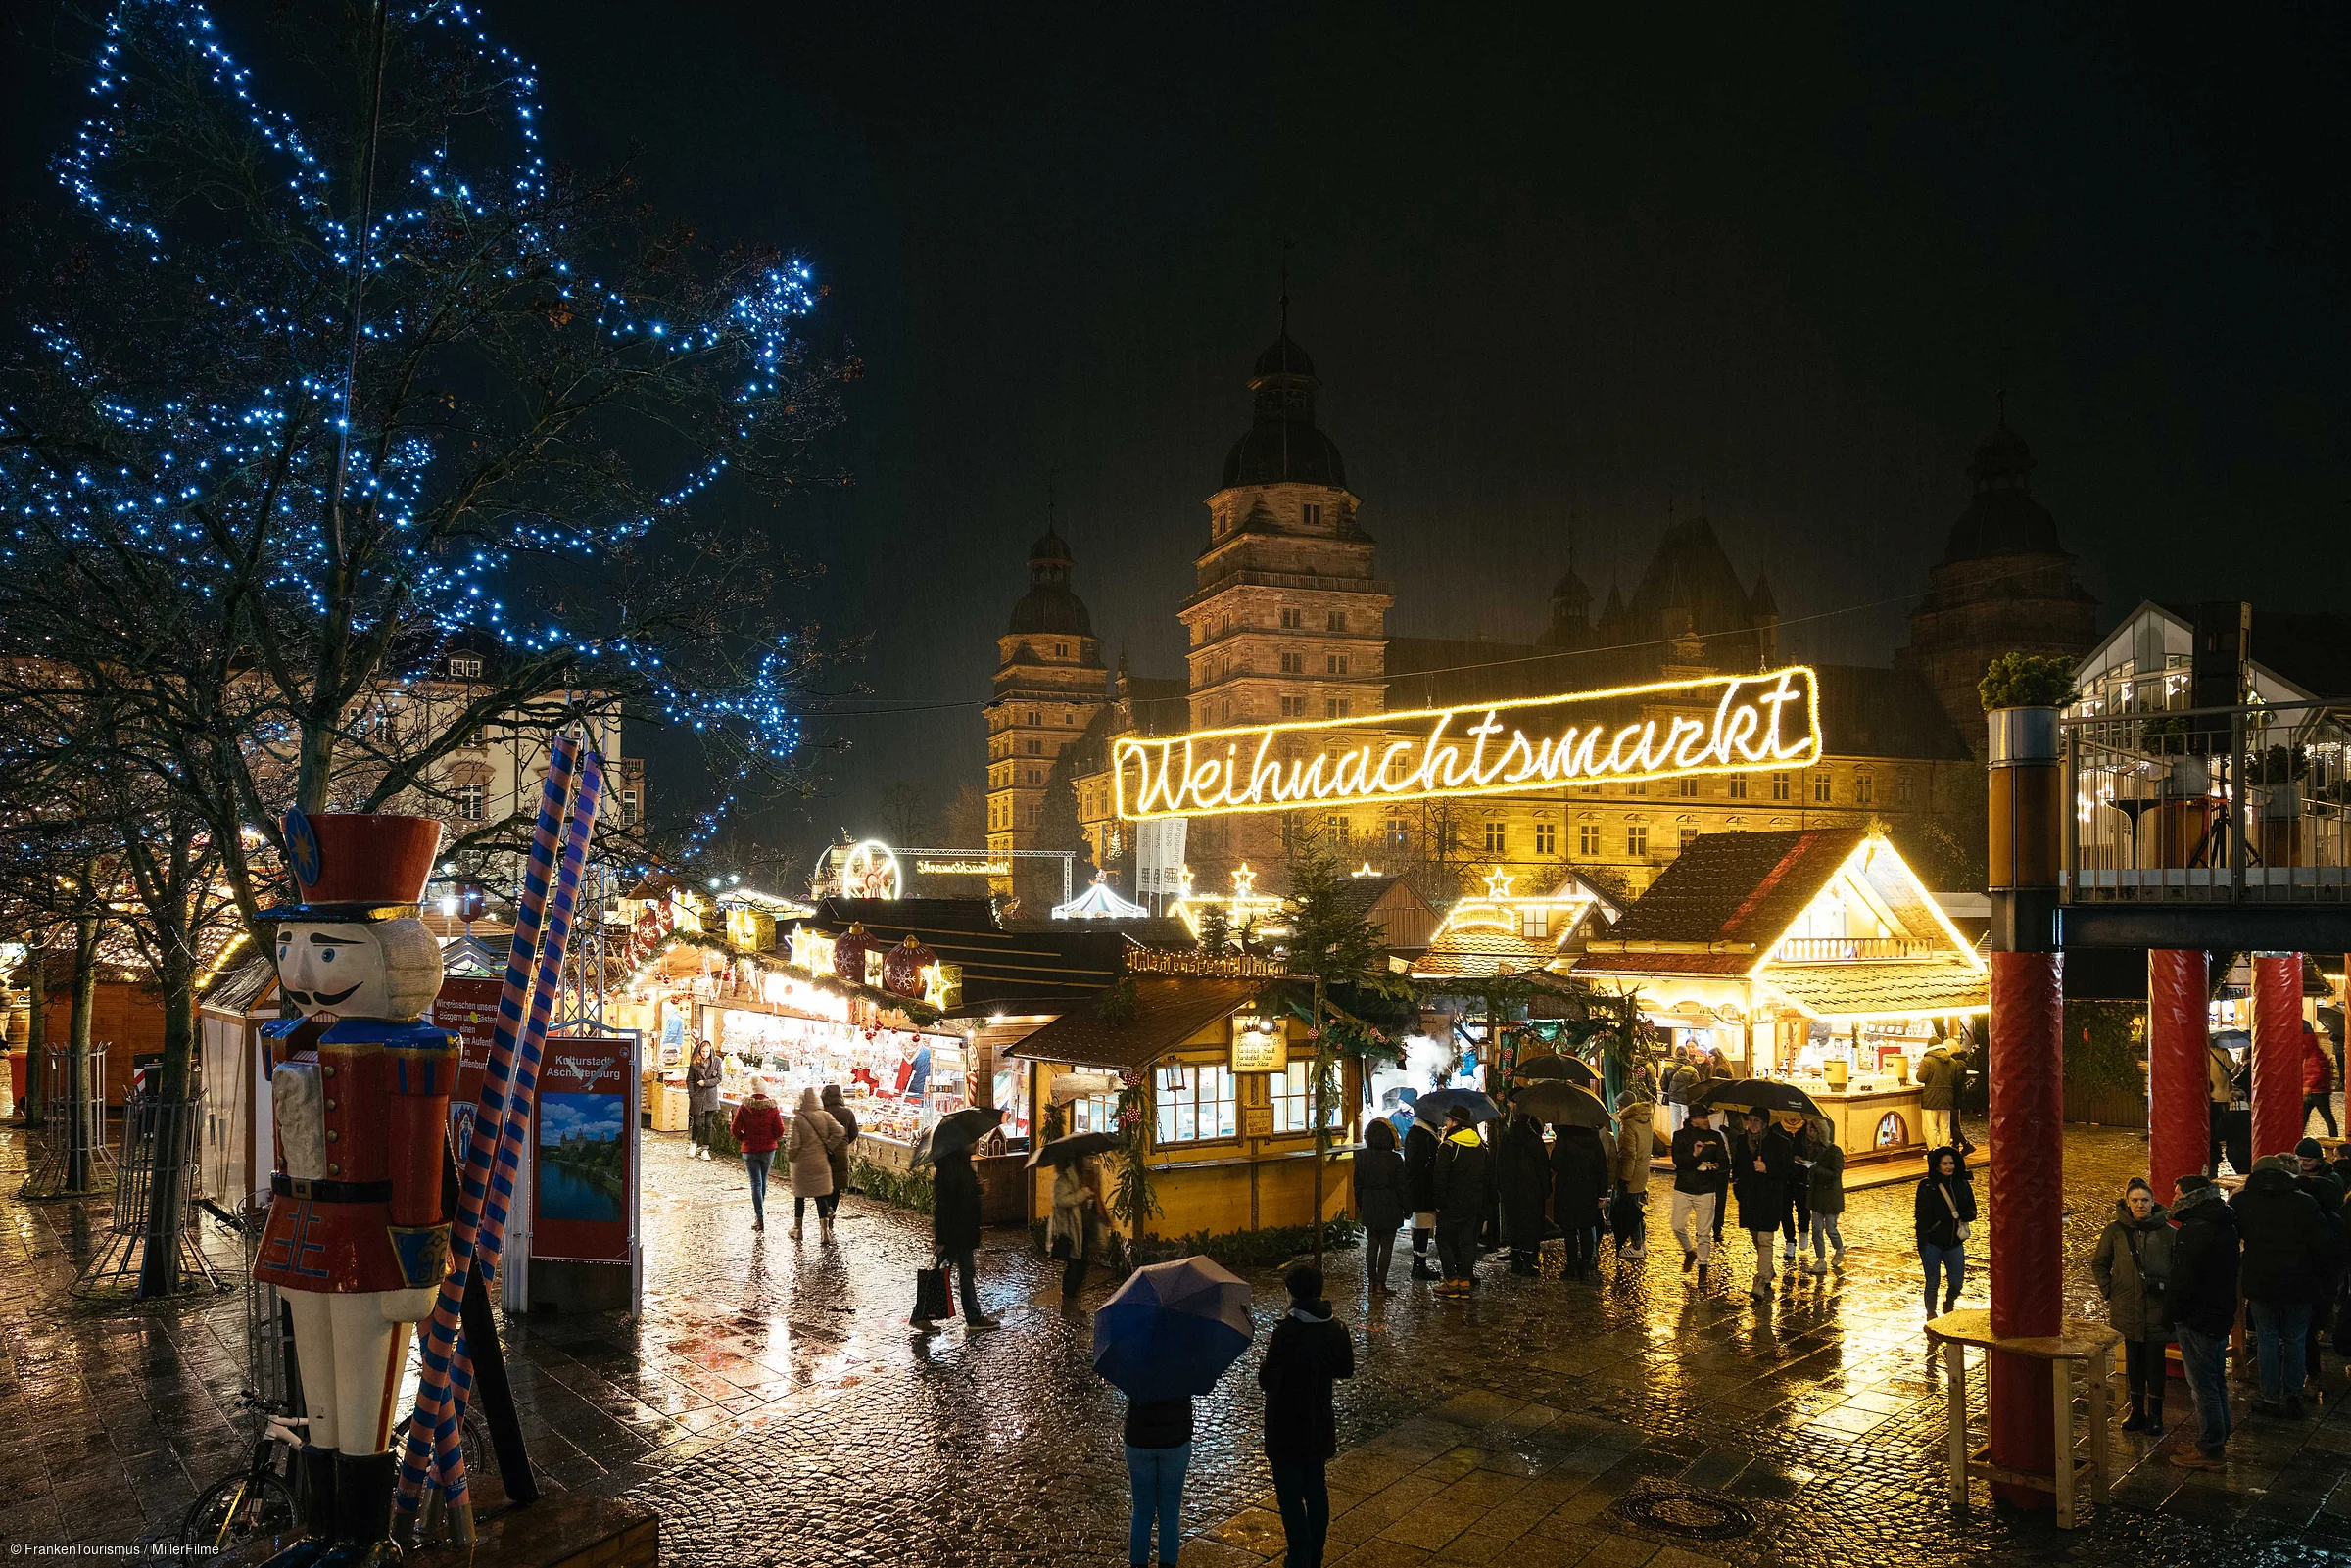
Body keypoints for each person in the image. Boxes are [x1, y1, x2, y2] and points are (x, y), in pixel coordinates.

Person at [1259, 1263, 1354, 1568]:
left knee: (1289, 1496)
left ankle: (1299, 1554)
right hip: (1318, 1421)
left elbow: (1266, 1379)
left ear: (1292, 1293)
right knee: (1316, 1490)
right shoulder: (1335, 1327)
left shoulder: (1286, 1332)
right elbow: (1345, 1368)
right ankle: (1315, 1554)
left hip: (1286, 1427)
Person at [2232, 1151, 2334, 1417]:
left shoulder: (2242, 1201)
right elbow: (2323, 1245)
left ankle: (2269, 1397)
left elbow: (2235, 1237)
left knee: (2266, 1339)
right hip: (2300, 1283)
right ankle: (2292, 1396)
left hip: (2261, 1282)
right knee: (2295, 1339)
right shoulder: (2303, 1202)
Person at [2166, 1174, 2240, 1469]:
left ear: (2190, 1197)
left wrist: (2171, 1314)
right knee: (2216, 1381)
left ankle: (2210, 1449)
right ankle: (2217, 1437)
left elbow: (2183, 1280)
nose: (2172, 1198)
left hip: (2199, 1317)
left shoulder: (2194, 1231)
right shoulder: (2223, 1222)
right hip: (2219, 1313)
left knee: (2203, 1385)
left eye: (2177, 1193)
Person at [2092, 1177, 2175, 1434]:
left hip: (2157, 1309)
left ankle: (2156, 1414)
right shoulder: (2115, 1231)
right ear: (2128, 1203)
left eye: (2145, 1200)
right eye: (2135, 1200)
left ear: (2153, 1202)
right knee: (2134, 1360)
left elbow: (2178, 1269)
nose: (2141, 1205)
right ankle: (2137, 1410)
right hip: (2127, 1307)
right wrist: (2110, 1291)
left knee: (2155, 1362)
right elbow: (2100, 1264)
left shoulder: (2169, 1233)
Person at [925, 1145, 997, 1330]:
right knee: (944, 1274)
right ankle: (924, 1315)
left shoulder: (962, 1165)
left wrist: (978, 1190)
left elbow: (964, 1196)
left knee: (957, 1274)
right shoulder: (949, 1169)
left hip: (963, 1231)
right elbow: (942, 1206)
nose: (974, 1144)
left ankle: (972, 1317)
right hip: (954, 1233)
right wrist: (941, 1238)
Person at [1123, 1392, 1192, 1568]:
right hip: (1175, 1440)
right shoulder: (1184, 1363)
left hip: (1138, 1439)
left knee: (1141, 1513)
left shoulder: (1134, 1363)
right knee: (1169, 1512)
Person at [1732, 1110, 1795, 1303]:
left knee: (1766, 1238)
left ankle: (1760, 1280)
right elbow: (1738, 1166)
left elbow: (1789, 1171)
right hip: (1749, 1197)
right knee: (1755, 1235)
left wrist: (1768, 1169)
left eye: (1757, 1120)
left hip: (1770, 1197)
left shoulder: (1781, 1143)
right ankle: (1767, 1268)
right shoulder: (1742, 1141)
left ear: (1765, 1123)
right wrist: (1738, 1188)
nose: (1752, 1124)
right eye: (1750, 1120)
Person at [1432, 1106, 1493, 1296]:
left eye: (1448, 1120)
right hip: (1473, 1203)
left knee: (1444, 1239)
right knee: (1468, 1241)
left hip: (1451, 1203)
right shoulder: (1480, 1145)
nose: (1446, 1124)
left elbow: (1439, 1178)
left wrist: (1439, 1203)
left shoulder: (1449, 1146)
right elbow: (1487, 1176)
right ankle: (1465, 1281)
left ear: (1455, 1123)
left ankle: (1451, 1281)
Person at [1670, 1106, 1730, 1288]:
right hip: (1684, 1187)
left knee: (1704, 1233)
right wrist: (1695, 1155)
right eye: (1702, 1117)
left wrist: (1715, 1166)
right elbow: (1678, 1161)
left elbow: (1724, 1161)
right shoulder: (1680, 1136)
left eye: (1707, 1117)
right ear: (1693, 1119)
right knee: (1677, 1225)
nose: (1706, 1120)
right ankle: (1689, 1251)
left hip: (1706, 1188)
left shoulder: (1715, 1137)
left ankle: (1703, 1268)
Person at [1913, 1145, 1975, 1317]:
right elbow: (1921, 1215)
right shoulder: (1927, 1186)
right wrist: (1924, 1239)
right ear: (1937, 1166)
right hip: (1932, 1242)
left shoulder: (1962, 1185)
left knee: (1957, 1282)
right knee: (1932, 1282)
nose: (1949, 1167)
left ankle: (1949, 1302)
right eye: (1945, 1163)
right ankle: (1931, 1314)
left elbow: (1972, 1210)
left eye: (1951, 1163)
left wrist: (1965, 1214)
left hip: (1954, 1242)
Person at [1550, 1121, 1609, 1283]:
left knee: (1569, 1230)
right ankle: (1585, 1266)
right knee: (1586, 1227)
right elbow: (1602, 1168)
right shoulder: (1594, 1139)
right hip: (1589, 1189)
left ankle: (1572, 1267)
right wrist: (1602, 1193)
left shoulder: (1564, 1138)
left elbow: (1555, 1164)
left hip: (1567, 1190)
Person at [1352, 1118, 1407, 1292]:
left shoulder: (1362, 1157)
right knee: (1387, 1245)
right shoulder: (1395, 1159)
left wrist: (1361, 1204)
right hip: (1390, 1204)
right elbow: (1402, 1187)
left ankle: (1371, 1283)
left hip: (1370, 1203)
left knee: (1372, 1243)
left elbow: (1357, 1185)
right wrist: (1407, 1208)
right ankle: (1381, 1283)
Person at [785, 1086, 845, 1240]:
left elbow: (794, 1144)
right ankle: (824, 1232)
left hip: (802, 1165)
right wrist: (829, 1146)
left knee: (800, 1197)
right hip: (821, 1162)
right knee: (821, 1197)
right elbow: (840, 1131)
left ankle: (798, 1229)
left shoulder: (798, 1119)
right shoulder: (824, 1116)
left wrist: (790, 1156)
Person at [1049, 1151, 1112, 1301]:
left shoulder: (1086, 1176)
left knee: (1082, 1262)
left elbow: (1094, 1197)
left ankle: (1071, 1296)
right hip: (1071, 1229)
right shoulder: (1064, 1180)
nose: (1089, 1161)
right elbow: (1060, 1200)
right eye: (1086, 1158)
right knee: (1075, 1263)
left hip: (1085, 1225)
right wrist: (1082, 1194)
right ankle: (1068, 1296)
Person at [1496, 1113, 1552, 1277]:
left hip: (1510, 1188)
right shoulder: (1534, 1140)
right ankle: (1527, 1261)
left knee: (1513, 1222)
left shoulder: (1506, 1138)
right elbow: (1543, 1167)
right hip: (1531, 1189)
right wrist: (1546, 1189)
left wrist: (1500, 1185)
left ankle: (1515, 1261)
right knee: (1529, 1224)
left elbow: (1499, 1163)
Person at [729, 1085, 784, 1233]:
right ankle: (759, 1213)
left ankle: (759, 1218)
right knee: (763, 1180)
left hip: (750, 1149)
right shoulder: (772, 1108)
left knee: (755, 1183)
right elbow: (780, 1130)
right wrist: (772, 1139)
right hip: (768, 1149)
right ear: (765, 1092)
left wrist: (743, 1138)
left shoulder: (744, 1107)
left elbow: (734, 1128)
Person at [1610, 1088, 1655, 1261]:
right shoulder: (1644, 1120)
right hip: (1642, 1172)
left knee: (1630, 1211)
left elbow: (1628, 1154)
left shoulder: (1628, 1124)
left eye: (1619, 1106)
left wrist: (1624, 1179)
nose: (1618, 1109)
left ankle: (1636, 1245)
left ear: (1623, 1106)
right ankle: (1641, 1242)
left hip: (1632, 1174)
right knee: (1636, 1208)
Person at [1799, 1126, 1846, 1274]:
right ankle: (1821, 1260)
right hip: (1817, 1196)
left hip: (1831, 1197)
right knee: (1817, 1230)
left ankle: (1839, 1248)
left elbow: (1835, 1174)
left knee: (1831, 1228)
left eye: (1813, 1131)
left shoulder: (1835, 1151)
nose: (1810, 1134)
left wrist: (1814, 1167)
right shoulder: (1814, 1150)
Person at [1404, 1110, 1442, 1282]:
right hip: (1424, 1189)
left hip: (1417, 1188)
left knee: (1420, 1227)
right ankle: (1420, 1266)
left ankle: (1418, 1265)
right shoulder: (1424, 1136)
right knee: (1422, 1228)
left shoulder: (1415, 1133)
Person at [1917, 1040, 1961, 1153]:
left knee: (1930, 1128)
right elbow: (1955, 1080)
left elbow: (1920, 1078)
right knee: (1945, 1127)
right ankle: (1945, 1151)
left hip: (1931, 1098)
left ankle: (1933, 1152)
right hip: (1947, 1097)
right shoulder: (1952, 1061)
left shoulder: (1927, 1060)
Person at [686, 1037, 724, 1160]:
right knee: (696, 1123)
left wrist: (706, 1083)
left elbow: (719, 1078)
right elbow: (689, 1079)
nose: (705, 1054)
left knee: (708, 1123)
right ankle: (693, 1143)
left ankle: (705, 1148)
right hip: (697, 1095)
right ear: (700, 1051)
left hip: (710, 1095)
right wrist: (692, 1094)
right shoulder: (694, 1062)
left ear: (711, 1051)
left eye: (707, 1051)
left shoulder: (716, 1061)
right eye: (703, 1051)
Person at [2306, 1022, 2340, 1139]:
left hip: (2318, 1091)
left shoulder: (2313, 1055)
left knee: (2326, 1116)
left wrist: (2307, 1086)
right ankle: (2334, 1136)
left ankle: (2334, 1137)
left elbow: (2315, 1072)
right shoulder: (2314, 1053)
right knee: (2304, 1117)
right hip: (2317, 1090)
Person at [1663, 1048, 1699, 1135]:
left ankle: (1675, 1145)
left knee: (1675, 1124)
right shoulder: (1691, 1069)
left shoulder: (1668, 1068)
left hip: (1673, 1099)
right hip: (1685, 1100)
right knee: (1686, 1122)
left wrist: (1671, 1091)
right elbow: (1696, 1086)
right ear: (1687, 1055)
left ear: (1675, 1054)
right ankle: (1687, 1146)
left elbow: (1663, 1085)